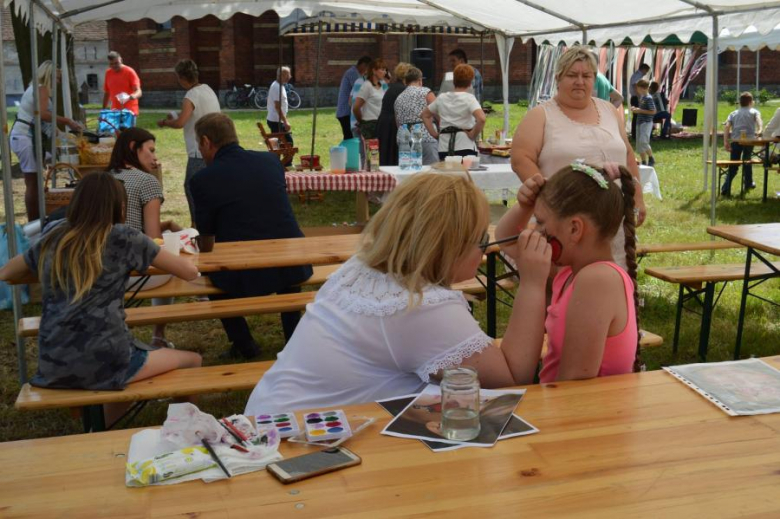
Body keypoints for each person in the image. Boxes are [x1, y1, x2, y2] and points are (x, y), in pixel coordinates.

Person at [243, 173, 571, 415]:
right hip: (296, 442)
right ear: (446, 248)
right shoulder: (418, 306)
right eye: (478, 242)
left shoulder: (363, 267)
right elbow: (511, 378)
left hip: (272, 415)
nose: (484, 252)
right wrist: (531, 283)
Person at [0, 172, 202, 422]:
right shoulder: (124, 237)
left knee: (127, 371)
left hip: (54, 361)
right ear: (119, 206)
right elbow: (189, 272)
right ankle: (187, 429)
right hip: (108, 358)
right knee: (192, 360)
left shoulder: (54, 237)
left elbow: (7, 271)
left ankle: (98, 426)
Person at [496, 163, 639, 383]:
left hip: (579, 411)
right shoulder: (570, 272)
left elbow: (572, 383)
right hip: (565, 406)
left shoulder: (597, 280)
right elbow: (506, 240)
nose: (537, 232)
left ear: (574, 229)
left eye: (541, 222)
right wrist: (524, 206)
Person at [510, 46, 647, 268]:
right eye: (572, 75)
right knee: (562, 289)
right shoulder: (540, 115)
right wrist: (548, 199)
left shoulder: (610, 111)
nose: (579, 82)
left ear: (595, 79)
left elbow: (629, 156)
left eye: (587, 76)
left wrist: (638, 197)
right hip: (562, 224)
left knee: (610, 281)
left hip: (611, 220)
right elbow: (520, 158)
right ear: (558, 78)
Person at [190, 113, 313, 359]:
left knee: (210, 271)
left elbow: (206, 234)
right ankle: (292, 338)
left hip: (242, 274)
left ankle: (244, 344)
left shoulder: (203, 179)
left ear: (206, 141)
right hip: (290, 264)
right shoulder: (270, 162)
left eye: (199, 144)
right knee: (285, 249)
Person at [108, 127, 182, 347]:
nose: (155, 157)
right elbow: (152, 239)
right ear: (133, 148)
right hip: (130, 272)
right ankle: (158, 335)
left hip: (98, 270)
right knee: (170, 264)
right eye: (151, 150)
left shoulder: (101, 178)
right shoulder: (147, 182)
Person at [9, 60, 82, 222]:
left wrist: (64, 135)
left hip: (25, 136)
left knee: (35, 182)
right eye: (56, 78)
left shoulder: (37, 89)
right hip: (24, 137)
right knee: (33, 183)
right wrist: (67, 121)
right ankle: (34, 221)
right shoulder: (41, 88)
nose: (57, 82)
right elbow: (43, 114)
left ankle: (37, 219)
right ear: (48, 76)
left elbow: (46, 123)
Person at [156, 59, 220, 226]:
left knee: (191, 186)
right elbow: (192, 114)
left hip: (199, 150)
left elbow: (180, 123)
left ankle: (196, 223)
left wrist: (165, 122)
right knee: (209, 187)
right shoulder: (207, 89)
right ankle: (210, 219)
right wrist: (176, 116)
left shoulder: (190, 95)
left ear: (182, 77)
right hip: (216, 147)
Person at [422, 64, 486, 161]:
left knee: (447, 175)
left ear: (454, 80)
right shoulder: (469, 99)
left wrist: (434, 134)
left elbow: (424, 115)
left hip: (444, 145)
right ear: (470, 82)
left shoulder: (442, 98)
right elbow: (481, 118)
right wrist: (473, 134)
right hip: (464, 144)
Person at [722, 91, 764, 197]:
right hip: (749, 141)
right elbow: (759, 121)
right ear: (751, 102)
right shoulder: (754, 112)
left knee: (734, 165)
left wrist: (726, 141)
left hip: (736, 141)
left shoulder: (733, 113)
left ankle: (726, 188)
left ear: (739, 102)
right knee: (747, 161)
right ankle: (748, 183)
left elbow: (727, 127)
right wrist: (759, 130)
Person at [395, 67, 439, 165]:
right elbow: (438, 113)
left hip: (404, 140)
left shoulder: (399, 98)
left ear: (405, 81)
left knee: (410, 174)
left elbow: (398, 122)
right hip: (425, 136)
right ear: (420, 80)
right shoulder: (426, 92)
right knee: (430, 172)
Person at [376, 62, 411, 166]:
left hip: (383, 123)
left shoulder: (392, 87)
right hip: (392, 124)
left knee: (386, 155)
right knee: (393, 156)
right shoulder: (403, 89)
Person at [337, 56, 372, 141]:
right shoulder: (353, 73)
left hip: (346, 111)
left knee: (350, 138)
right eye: (368, 67)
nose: (367, 71)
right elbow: (361, 89)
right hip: (346, 112)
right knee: (350, 138)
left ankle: (349, 153)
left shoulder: (355, 73)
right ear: (363, 65)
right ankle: (349, 153)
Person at [353, 58, 388, 140]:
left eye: (385, 70)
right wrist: (362, 122)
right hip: (370, 125)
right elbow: (356, 108)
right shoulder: (367, 85)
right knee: (372, 151)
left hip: (380, 123)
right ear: (374, 71)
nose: (385, 72)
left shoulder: (381, 86)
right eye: (382, 69)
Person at [103, 51, 142, 115]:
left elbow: (139, 92)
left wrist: (131, 97)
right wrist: (103, 110)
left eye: (116, 63)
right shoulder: (108, 73)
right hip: (115, 112)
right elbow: (107, 93)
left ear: (121, 60)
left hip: (129, 112)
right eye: (111, 64)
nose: (114, 66)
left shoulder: (129, 72)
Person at [266, 66, 293, 146]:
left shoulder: (278, 85)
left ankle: (276, 158)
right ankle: (278, 158)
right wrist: (285, 122)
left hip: (275, 120)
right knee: (289, 144)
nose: (290, 77)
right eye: (288, 75)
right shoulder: (277, 87)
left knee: (278, 145)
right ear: (281, 75)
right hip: (276, 121)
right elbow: (277, 107)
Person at [631, 79, 656, 167]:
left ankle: (651, 158)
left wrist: (639, 110)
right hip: (639, 123)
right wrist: (636, 109)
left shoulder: (649, 98)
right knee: (639, 144)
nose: (636, 90)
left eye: (637, 88)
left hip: (646, 123)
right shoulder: (642, 97)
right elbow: (643, 110)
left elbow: (653, 111)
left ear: (642, 88)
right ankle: (644, 161)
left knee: (643, 141)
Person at [629, 63, 650, 140]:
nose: (646, 73)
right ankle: (635, 134)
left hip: (635, 97)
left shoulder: (637, 75)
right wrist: (639, 97)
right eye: (646, 71)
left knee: (637, 116)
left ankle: (636, 134)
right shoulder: (637, 76)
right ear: (643, 69)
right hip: (636, 98)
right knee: (637, 116)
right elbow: (635, 86)